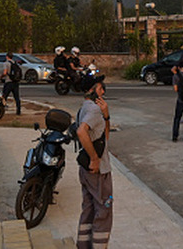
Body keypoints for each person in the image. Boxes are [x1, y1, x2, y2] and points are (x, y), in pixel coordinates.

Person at [75, 80, 112, 249]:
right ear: (91, 90)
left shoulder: (85, 107)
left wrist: (106, 115)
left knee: (88, 209)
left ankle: (83, 245)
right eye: (100, 88)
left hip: (86, 172)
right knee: (103, 212)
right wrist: (95, 159)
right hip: (98, 171)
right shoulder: (94, 109)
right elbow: (81, 131)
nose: (103, 91)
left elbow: (104, 136)